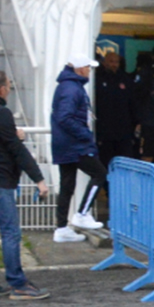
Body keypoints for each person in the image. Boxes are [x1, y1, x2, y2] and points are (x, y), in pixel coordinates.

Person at [0, 70, 50, 299]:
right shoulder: (1, 113)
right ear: (2, 89)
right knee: (11, 232)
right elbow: (16, 149)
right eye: (9, 87)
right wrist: (39, 179)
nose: (10, 91)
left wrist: (14, 137)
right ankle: (18, 283)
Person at [51, 53, 106, 242]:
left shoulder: (66, 86)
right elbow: (65, 117)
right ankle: (82, 213)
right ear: (80, 69)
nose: (89, 71)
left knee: (67, 185)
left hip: (64, 144)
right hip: (75, 145)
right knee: (99, 174)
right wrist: (85, 134)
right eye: (88, 68)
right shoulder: (73, 89)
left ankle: (61, 227)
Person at [94, 50, 140, 168]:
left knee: (125, 161)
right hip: (105, 130)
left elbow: (133, 103)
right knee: (106, 161)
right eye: (111, 61)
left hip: (124, 130)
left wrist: (137, 122)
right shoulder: (97, 80)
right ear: (104, 62)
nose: (114, 64)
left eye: (116, 62)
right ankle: (106, 186)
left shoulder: (126, 80)